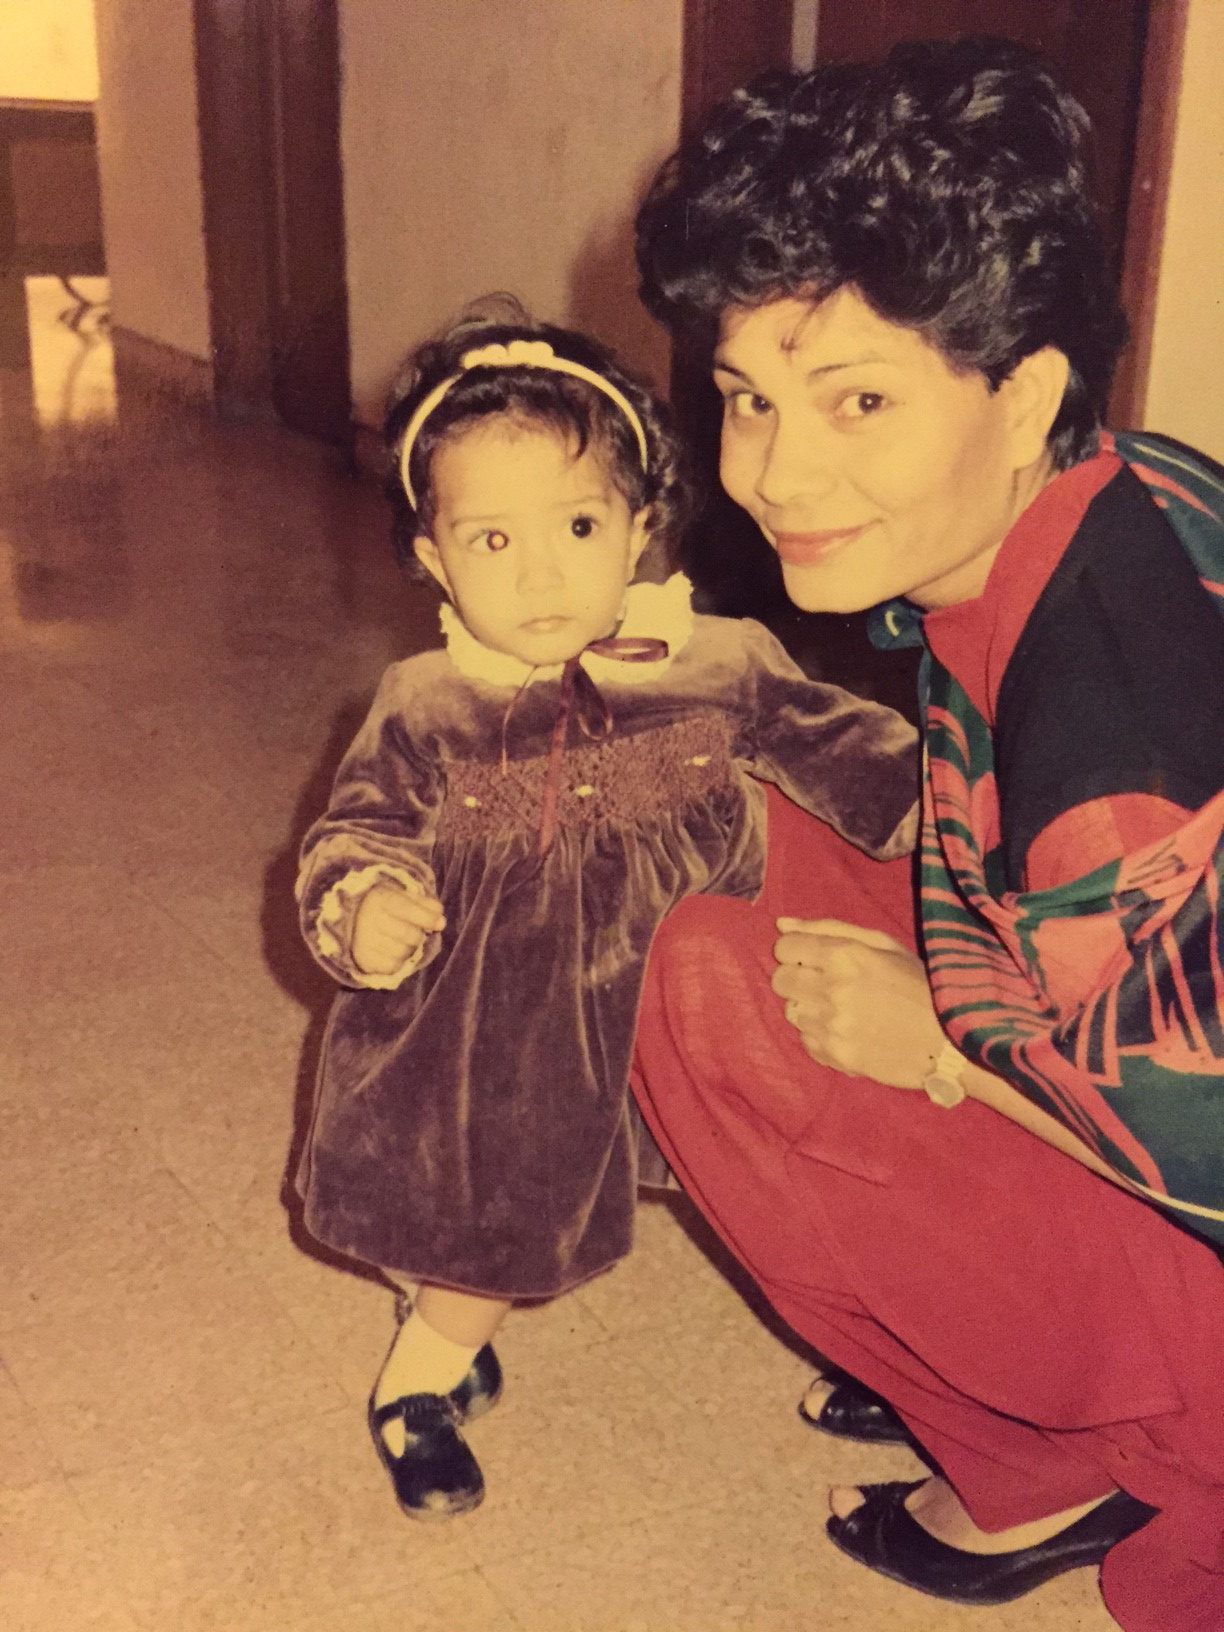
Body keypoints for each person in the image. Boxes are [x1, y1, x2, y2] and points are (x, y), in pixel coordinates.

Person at [630, 35, 1224, 1632]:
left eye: (861, 402)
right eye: (749, 399)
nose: (776, 472)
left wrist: (947, 1051)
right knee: (703, 824)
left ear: (1021, 395)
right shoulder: (1113, 484)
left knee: (701, 990)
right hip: (1121, 1012)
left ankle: (1064, 1458)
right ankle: (1003, 1368)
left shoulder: (1110, 772)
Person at [293, 304, 918, 1521]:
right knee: (494, 1212)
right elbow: (352, 835)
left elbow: (859, 756)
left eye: (578, 526)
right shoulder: (425, 708)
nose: (540, 572)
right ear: (434, 560)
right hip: (504, 1025)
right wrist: (363, 902)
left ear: (639, 526)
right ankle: (426, 1376)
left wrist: (961, 816)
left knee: (786, 1185)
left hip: (699, 1004)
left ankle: (882, 1349)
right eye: (491, 538)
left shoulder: (719, 662)